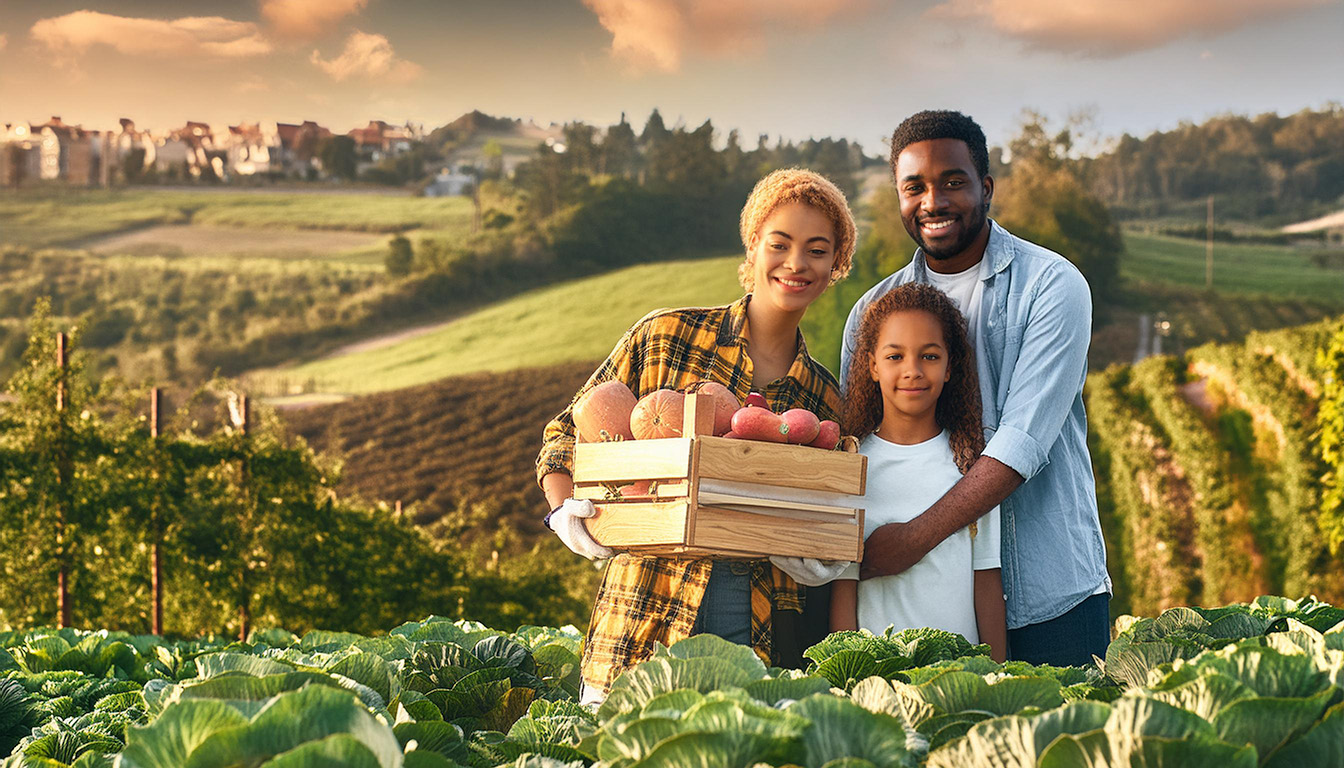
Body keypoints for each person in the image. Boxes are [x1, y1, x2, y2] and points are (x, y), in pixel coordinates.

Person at [537, 168, 857, 701]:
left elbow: (828, 505)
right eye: (779, 243)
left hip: (758, 619)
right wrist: (566, 512)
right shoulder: (666, 336)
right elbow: (563, 435)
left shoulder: (827, 400)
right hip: (641, 608)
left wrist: (818, 552)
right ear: (752, 247)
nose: (796, 263)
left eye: (818, 250)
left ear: (836, 266)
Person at [841, 111, 1111, 666]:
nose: (932, 201)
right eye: (914, 187)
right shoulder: (871, 313)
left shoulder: (1053, 285)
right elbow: (855, 444)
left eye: (953, 182)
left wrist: (912, 540)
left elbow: (1021, 443)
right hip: (925, 608)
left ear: (985, 187)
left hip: (1052, 593)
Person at [831, 283, 1006, 661]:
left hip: (958, 677)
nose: (912, 371)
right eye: (895, 357)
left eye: (929, 356)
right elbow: (843, 590)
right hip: (876, 679)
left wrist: (999, 675)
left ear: (949, 368)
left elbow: (986, 582)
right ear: (873, 366)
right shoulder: (850, 465)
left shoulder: (972, 467)